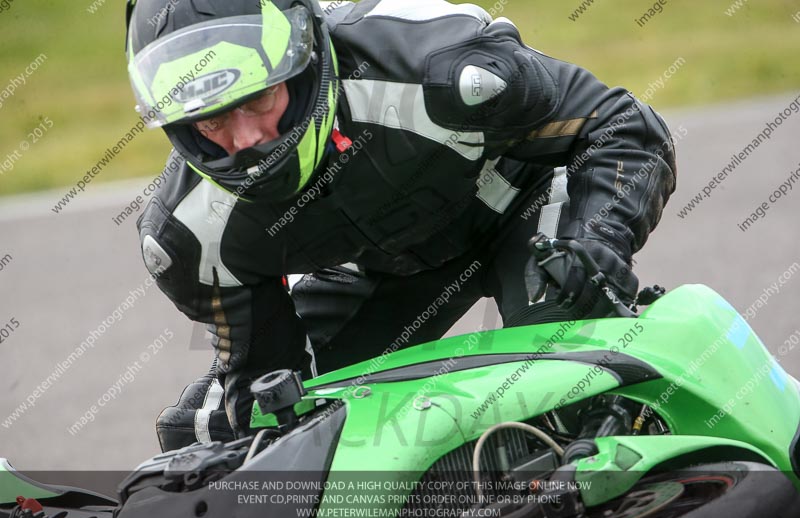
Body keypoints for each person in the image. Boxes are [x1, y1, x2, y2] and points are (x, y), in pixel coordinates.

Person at [125, 0, 676, 451]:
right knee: (246, 425)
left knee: (563, 325)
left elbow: (624, 127)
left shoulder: (446, 66)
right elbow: (268, 373)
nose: (245, 140)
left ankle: (643, 447)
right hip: (377, 269)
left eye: (260, 98)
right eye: (213, 117)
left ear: (305, 60)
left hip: (521, 204)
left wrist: (595, 239)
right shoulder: (187, 238)